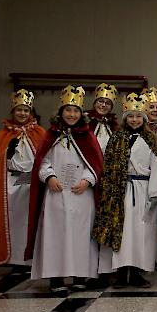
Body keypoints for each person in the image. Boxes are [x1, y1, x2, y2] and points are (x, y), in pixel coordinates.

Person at [25, 86, 104, 295]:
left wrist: (88, 181)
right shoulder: (51, 135)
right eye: (68, 110)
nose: (72, 114)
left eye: (76, 111)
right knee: (55, 234)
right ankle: (56, 277)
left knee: (81, 235)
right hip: (56, 194)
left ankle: (80, 275)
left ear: (82, 114)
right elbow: (42, 161)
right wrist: (49, 176)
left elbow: (95, 164)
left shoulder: (87, 136)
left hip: (81, 194)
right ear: (61, 112)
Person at [92, 93, 157, 288]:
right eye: (131, 116)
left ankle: (138, 272)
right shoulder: (116, 138)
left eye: (138, 116)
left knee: (142, 233)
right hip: (120, 191)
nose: (134, 120)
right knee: (122, 232)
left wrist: (155, 194)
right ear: (125, 118)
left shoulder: (152, 140)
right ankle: (122, 272)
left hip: (143, 190)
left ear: (144, 118)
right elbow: (109, 166)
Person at [0, 90, 45, 270]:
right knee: (14, 223)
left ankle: (31, 261)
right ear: (13, 111)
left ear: (31, 112)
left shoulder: (40, 133)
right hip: (11, 187)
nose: (22, 114)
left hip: (32, 185)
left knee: (31, 221)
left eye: (26, 110)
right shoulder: (3, 135)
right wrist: (8, 153)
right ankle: (16, 262)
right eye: (19, 110)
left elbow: (44, 158)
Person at [86, 83, 119, 153]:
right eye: (100, 101)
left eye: (107, 103)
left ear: (111, 108)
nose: (103, 105)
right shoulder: (85, 121)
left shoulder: (113, 124)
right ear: (94, 104)